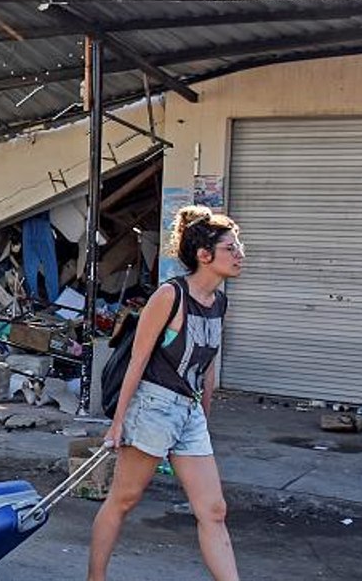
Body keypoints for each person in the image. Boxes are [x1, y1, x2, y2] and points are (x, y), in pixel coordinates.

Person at [87, 205, 245, 581]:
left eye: (239, 246)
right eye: (231, 248)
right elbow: (137, 361)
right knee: (123, 500)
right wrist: (118, 423)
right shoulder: (170, 296)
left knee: (214, 510)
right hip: (153, 407)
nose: (240, 254)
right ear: (204, 256)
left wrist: (203, 416)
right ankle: (96, 577)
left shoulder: (219, 302)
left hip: (188, 414)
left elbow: (206, 366)